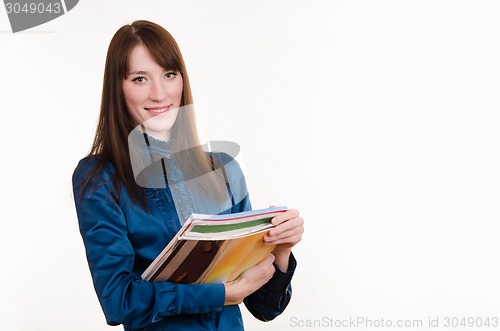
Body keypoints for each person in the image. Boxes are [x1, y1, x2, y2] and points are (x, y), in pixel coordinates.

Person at [72, 20, 304, 331]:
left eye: (169, 75)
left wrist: (280, 249)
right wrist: (220, 295)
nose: (159, 93)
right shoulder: (99, 178)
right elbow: (118, 301)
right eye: (140, 78)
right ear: (117, 87)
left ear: (182, 80)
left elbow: (264, 307)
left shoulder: (222, 169)